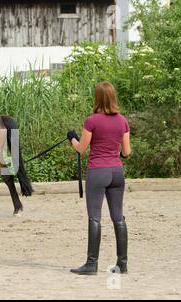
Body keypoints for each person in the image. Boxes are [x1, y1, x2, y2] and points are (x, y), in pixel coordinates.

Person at [67, 81, 131, 275]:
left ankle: (91, 264)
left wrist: (72, 137)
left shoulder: (92, 121)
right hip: (117, 173)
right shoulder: (123, 121)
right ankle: (122, 263)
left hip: (98, 172)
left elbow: (81, 148)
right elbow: (126, 152)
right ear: (113, 98)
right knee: (118, 218)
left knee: (95, 217)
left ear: (97, 98)